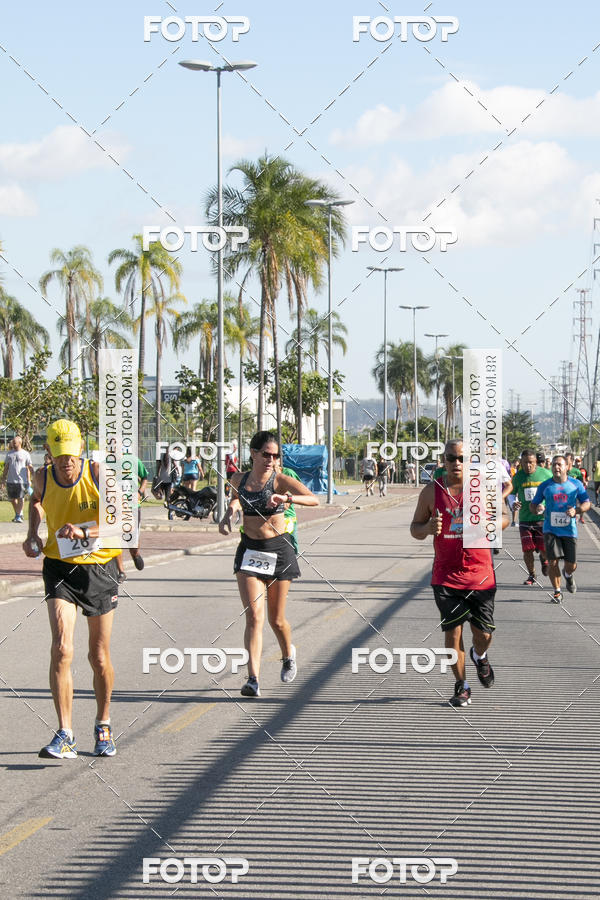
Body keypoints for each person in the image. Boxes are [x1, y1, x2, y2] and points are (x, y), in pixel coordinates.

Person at [23, 419, 121, 758]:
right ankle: (65, 733)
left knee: (99, 656)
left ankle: (103, 723)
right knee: (62, 648)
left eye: (71, 454)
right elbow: (36, 501)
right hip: (59, 567)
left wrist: (84, 532)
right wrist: (33, 534)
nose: (66, 461)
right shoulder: (42, 477)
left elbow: (121, 522)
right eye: (59, 455)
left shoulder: (98, 474)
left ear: (81, 448)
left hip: (99, 569)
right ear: (49, 452)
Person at [219, 431, 318, 698]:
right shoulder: (238, 478)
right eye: (266, 455)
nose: (271, 460)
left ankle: (288, 654)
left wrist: (287, 499)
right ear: (253, 453)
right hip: (250, 551)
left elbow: (313, 499)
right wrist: (230, 512)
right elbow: (237, 497)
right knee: (254, 616)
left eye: (275, 456)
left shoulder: (280, 480)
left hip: (278, 551)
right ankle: (253, 679)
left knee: (276, 620)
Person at [411, 439, 506, 708]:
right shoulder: (431, 492)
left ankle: (480, 655)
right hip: (446, 576)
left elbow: (505, 517)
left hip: (480, 574)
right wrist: (428, 528)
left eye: (462, 458)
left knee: (483, 634)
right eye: (451, 458)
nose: (457, 463)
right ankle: (462, 685)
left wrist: (489, 525)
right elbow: (415, 528)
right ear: (444, 460)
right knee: (453, 633)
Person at [529, 455, 590, 603]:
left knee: (571, 565)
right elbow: (533, 505)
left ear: (566, 467)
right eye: (554, 465)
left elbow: (587, 503)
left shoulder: (576, 484)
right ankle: (557, 591)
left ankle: (568, 575)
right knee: (553, 562)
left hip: (569, 530)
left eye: (559, 465)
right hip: (550, 529)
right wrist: (537, 508)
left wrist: (576, 510)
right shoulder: (545, 486)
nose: (556, 467)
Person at [506, 449, 549, 585]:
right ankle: (532, 574)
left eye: (531, 462)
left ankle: (544, 560)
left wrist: (546, 505)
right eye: (525, 462)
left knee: (544, 549)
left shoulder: (546, 474)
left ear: (536, 462)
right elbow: (511, 493)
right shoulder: (518, 477)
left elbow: (553, 491)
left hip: (542, 519)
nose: (528, 465)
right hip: (525, 518)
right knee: (527, 549)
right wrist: (513, 503)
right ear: (521, 462)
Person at [115, 457, 148, 583]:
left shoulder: (134, 461)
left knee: (132, 543)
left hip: (133, 507)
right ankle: (121, 571)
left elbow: (145, 477)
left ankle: (135, 554)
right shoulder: (105, 463)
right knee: (115, 538)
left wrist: (139, 492)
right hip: (115, 507)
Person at [1, 436, 34, 523]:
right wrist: (3, 479)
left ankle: (18, 516)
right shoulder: (9, 454)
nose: (13, 444)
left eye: (14, 442)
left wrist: (31, 478)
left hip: (21, 480)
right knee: (12, 499)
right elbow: (6, 468)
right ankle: (19, 513)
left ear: (20, 443)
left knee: (20, 497)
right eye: (13, 442)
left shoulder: (25, 454)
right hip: (11, 480)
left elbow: (29, 467)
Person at [156, 450, 181, 519]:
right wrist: (178, 472)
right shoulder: (171, 457)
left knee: (161, 492)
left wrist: (158, 475)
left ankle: (163, 498)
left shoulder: (161, 456)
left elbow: (159, 466)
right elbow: (175, 465)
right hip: (168, 478)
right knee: (168, 495)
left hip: (162, 478)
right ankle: (169, 510)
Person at [574, 457, 588, 524]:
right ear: (575, 462)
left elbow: (587, 478)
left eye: (579, 461)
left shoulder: (584, 470)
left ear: (581, 462)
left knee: (582, 504)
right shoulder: (572, 470)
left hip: (582, 490)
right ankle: (575, 517)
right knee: (575, 504)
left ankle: (581, 517)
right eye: (577, 461)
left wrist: (586, 481)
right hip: (574, 490)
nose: (578, 463)